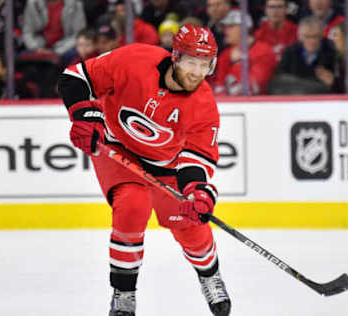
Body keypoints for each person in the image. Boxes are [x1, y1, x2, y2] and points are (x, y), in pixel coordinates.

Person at [57, 24, 231, 316]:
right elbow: (75, 77)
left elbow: (198, 155)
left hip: (167, 163)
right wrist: (83, 114)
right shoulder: (134, 60)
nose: (197, 72)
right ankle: (123, 294)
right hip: (118, 149)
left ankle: (210, 276)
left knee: (191, 227)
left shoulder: (204, 105)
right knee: (132, 206)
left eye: (205, 64)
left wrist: (196, 190)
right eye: (191, 62)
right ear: (175, 57)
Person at [213, 10, 277, 95]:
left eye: (230, 27)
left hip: (259, 104)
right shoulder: (225, 55)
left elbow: (255, 86)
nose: (226, 31)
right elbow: (219, 87)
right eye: (225, 27)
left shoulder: (264, 51)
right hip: (229, 105)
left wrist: (238, 64)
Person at [270, 16, 337, 94]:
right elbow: (279, 80)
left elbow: (337, 85)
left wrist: (334, 82)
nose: (312, 41)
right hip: (295, 98)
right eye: (307, 37)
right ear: (299, 36)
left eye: (315, 36)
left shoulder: (331, 51)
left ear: (322, 35)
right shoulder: (290, 52)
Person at [21, 0, 86, 63]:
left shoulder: (75, 3)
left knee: (77, 55)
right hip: (38, 48)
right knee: (20, 57)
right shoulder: (33, 3)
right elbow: (27, 32)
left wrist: (57, 52)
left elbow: (79, 34)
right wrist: (37, 48)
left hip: (65, 48)